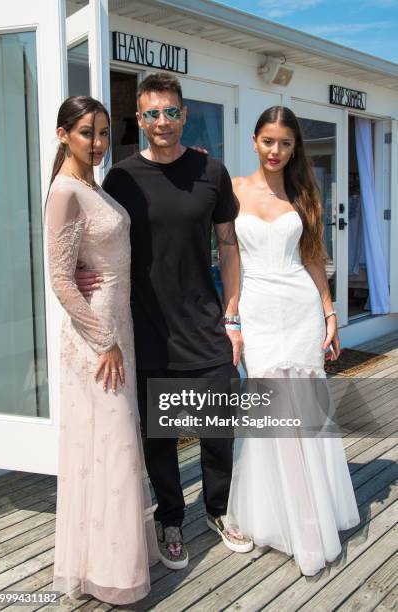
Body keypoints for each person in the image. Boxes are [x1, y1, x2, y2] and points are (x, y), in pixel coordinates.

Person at [75, 73, 253, 569]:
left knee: (219, 429)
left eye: (170, 112)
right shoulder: (122, 178)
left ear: (184, 115)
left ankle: (218, 508)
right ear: (140, 119)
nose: (161, 122)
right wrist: (86, 274)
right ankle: (170, 518)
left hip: (205, 323)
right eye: (151, 114)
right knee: (161, 435)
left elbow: (229, 244)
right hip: (147, 326)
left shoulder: (210, 171)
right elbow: (101, 239)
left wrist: (233, 314)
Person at [226, 106, 360, 576]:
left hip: (299, 308)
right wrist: (232, 316)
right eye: (268, 141)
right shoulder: (234, 189)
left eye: (285, 143)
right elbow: (227, 258)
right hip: (257, 311)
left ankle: (308, 517)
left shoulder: (304, 193)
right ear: (254, 140)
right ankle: (283, 518)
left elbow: (312, 257)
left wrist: (329, 311)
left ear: (295, 147)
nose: (275, 151)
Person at [46, 96, 158, 604]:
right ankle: (108, 573)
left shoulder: (94, 186)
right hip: (98, 341)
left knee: (114, 447)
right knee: (110, 446)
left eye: (104, 132)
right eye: (87, 132)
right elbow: (61, 282)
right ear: (63, 133)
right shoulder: (65, 192)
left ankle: (111, 560)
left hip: (119, 328)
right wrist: (104, 340)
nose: (97, 142)